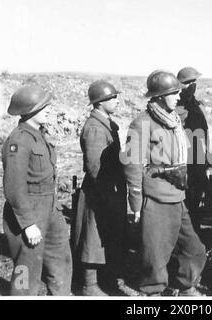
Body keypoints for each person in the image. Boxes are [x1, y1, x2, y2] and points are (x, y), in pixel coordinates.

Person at [122, 70, 207, 296]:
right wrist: (136, 203)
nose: (178, 97)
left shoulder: (174, 120)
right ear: (160, 96)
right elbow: (132, 165)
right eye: (173, 93)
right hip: (156, 198)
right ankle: (152, 293)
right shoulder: (141, 124)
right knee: (155, 255)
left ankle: (182, 284)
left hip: (178, 196)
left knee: (194, 250)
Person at [2, 85, 72, 295]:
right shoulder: (19, 141)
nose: (50, 110)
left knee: (61, 261)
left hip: (50, 207)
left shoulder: (40, 135)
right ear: (30, 110)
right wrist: (28, 223)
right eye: (45, 106)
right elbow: (14, 187)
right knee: (27, 267)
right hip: (29, 209)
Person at [73, 80, 127, 296]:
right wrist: (108, 193)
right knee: (92, 236)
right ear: (101, 102)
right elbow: (96, 167)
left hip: (110, 186)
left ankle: (104, 279)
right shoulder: (95, 127)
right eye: (113, 98)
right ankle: (89, 285)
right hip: (99, 189)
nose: (117, 101)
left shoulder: (108, 123)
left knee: (106, 234)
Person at [176, 67, 209, 232]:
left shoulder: (198, 106)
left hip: (199, 162)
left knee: (196, 205)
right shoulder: (174, 109)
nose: (191, 86)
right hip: (184, 163)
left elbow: (205, 134)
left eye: (194, 82)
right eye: (187, 83)